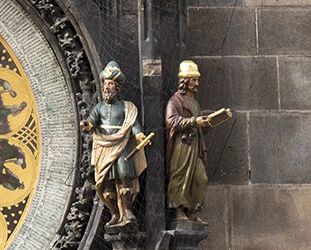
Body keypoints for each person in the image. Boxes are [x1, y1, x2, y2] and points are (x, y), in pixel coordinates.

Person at [81, 60, 151, 228]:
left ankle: (127, 210)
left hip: (121, 145)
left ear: (117, 87)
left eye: (110, 84)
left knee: (124, 174)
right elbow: (92, 121)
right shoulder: (99, 107)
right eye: (105, 84)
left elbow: (132, 123)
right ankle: (114, 213)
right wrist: (87, 125)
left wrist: (139, 135)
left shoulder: (126, 107)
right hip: (104, 145)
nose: (106, 87)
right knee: (106, 181)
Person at [166, 59, 230, 222]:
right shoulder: (175, 101)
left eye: (197, 80)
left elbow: (198, 123)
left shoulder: (194, 102)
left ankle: (194, 211)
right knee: (180, 175)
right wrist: (194, 121)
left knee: (201, 178)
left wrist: (209, 123)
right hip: (182, 145)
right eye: (193, 80)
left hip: (195, 144)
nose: (196, 83)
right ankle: (178, 210)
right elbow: (171, 121)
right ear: (185, 82)